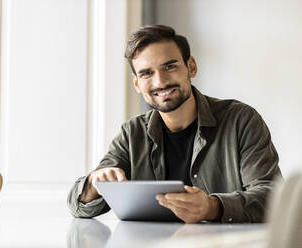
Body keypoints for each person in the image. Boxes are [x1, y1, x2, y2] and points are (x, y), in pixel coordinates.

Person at [67, 25, 282, 223]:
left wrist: (212, 207)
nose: (160, 81)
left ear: (191, 67)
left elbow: (274, 198)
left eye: (170, 66)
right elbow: (78, 205)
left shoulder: (241, 120)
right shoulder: (132, 133)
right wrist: (95, 183)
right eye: (146, 73)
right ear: (136, 84)